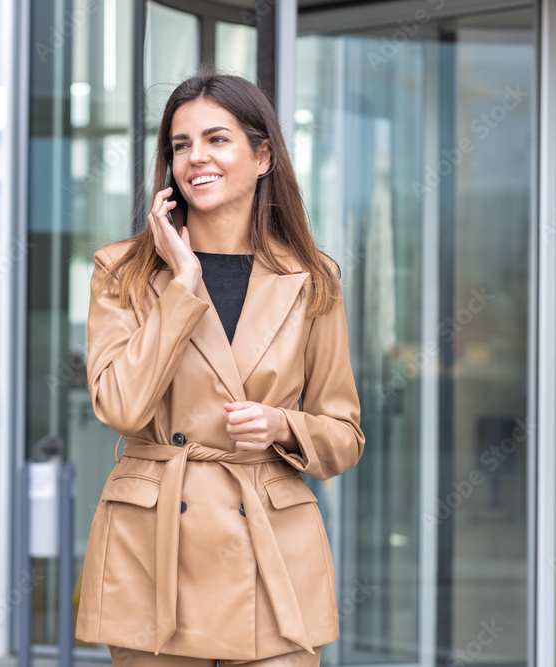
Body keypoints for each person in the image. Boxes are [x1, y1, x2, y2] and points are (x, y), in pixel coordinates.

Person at [75, 68, 365, 667]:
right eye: (180, 145)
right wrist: (182, 282)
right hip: (152, 552)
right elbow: (121, 406)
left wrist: (284, 426)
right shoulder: (121, 272)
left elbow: (345, 436)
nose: (195, 158)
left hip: (270, 558)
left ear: (263, 156)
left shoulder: (313, 279)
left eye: (216, 139)